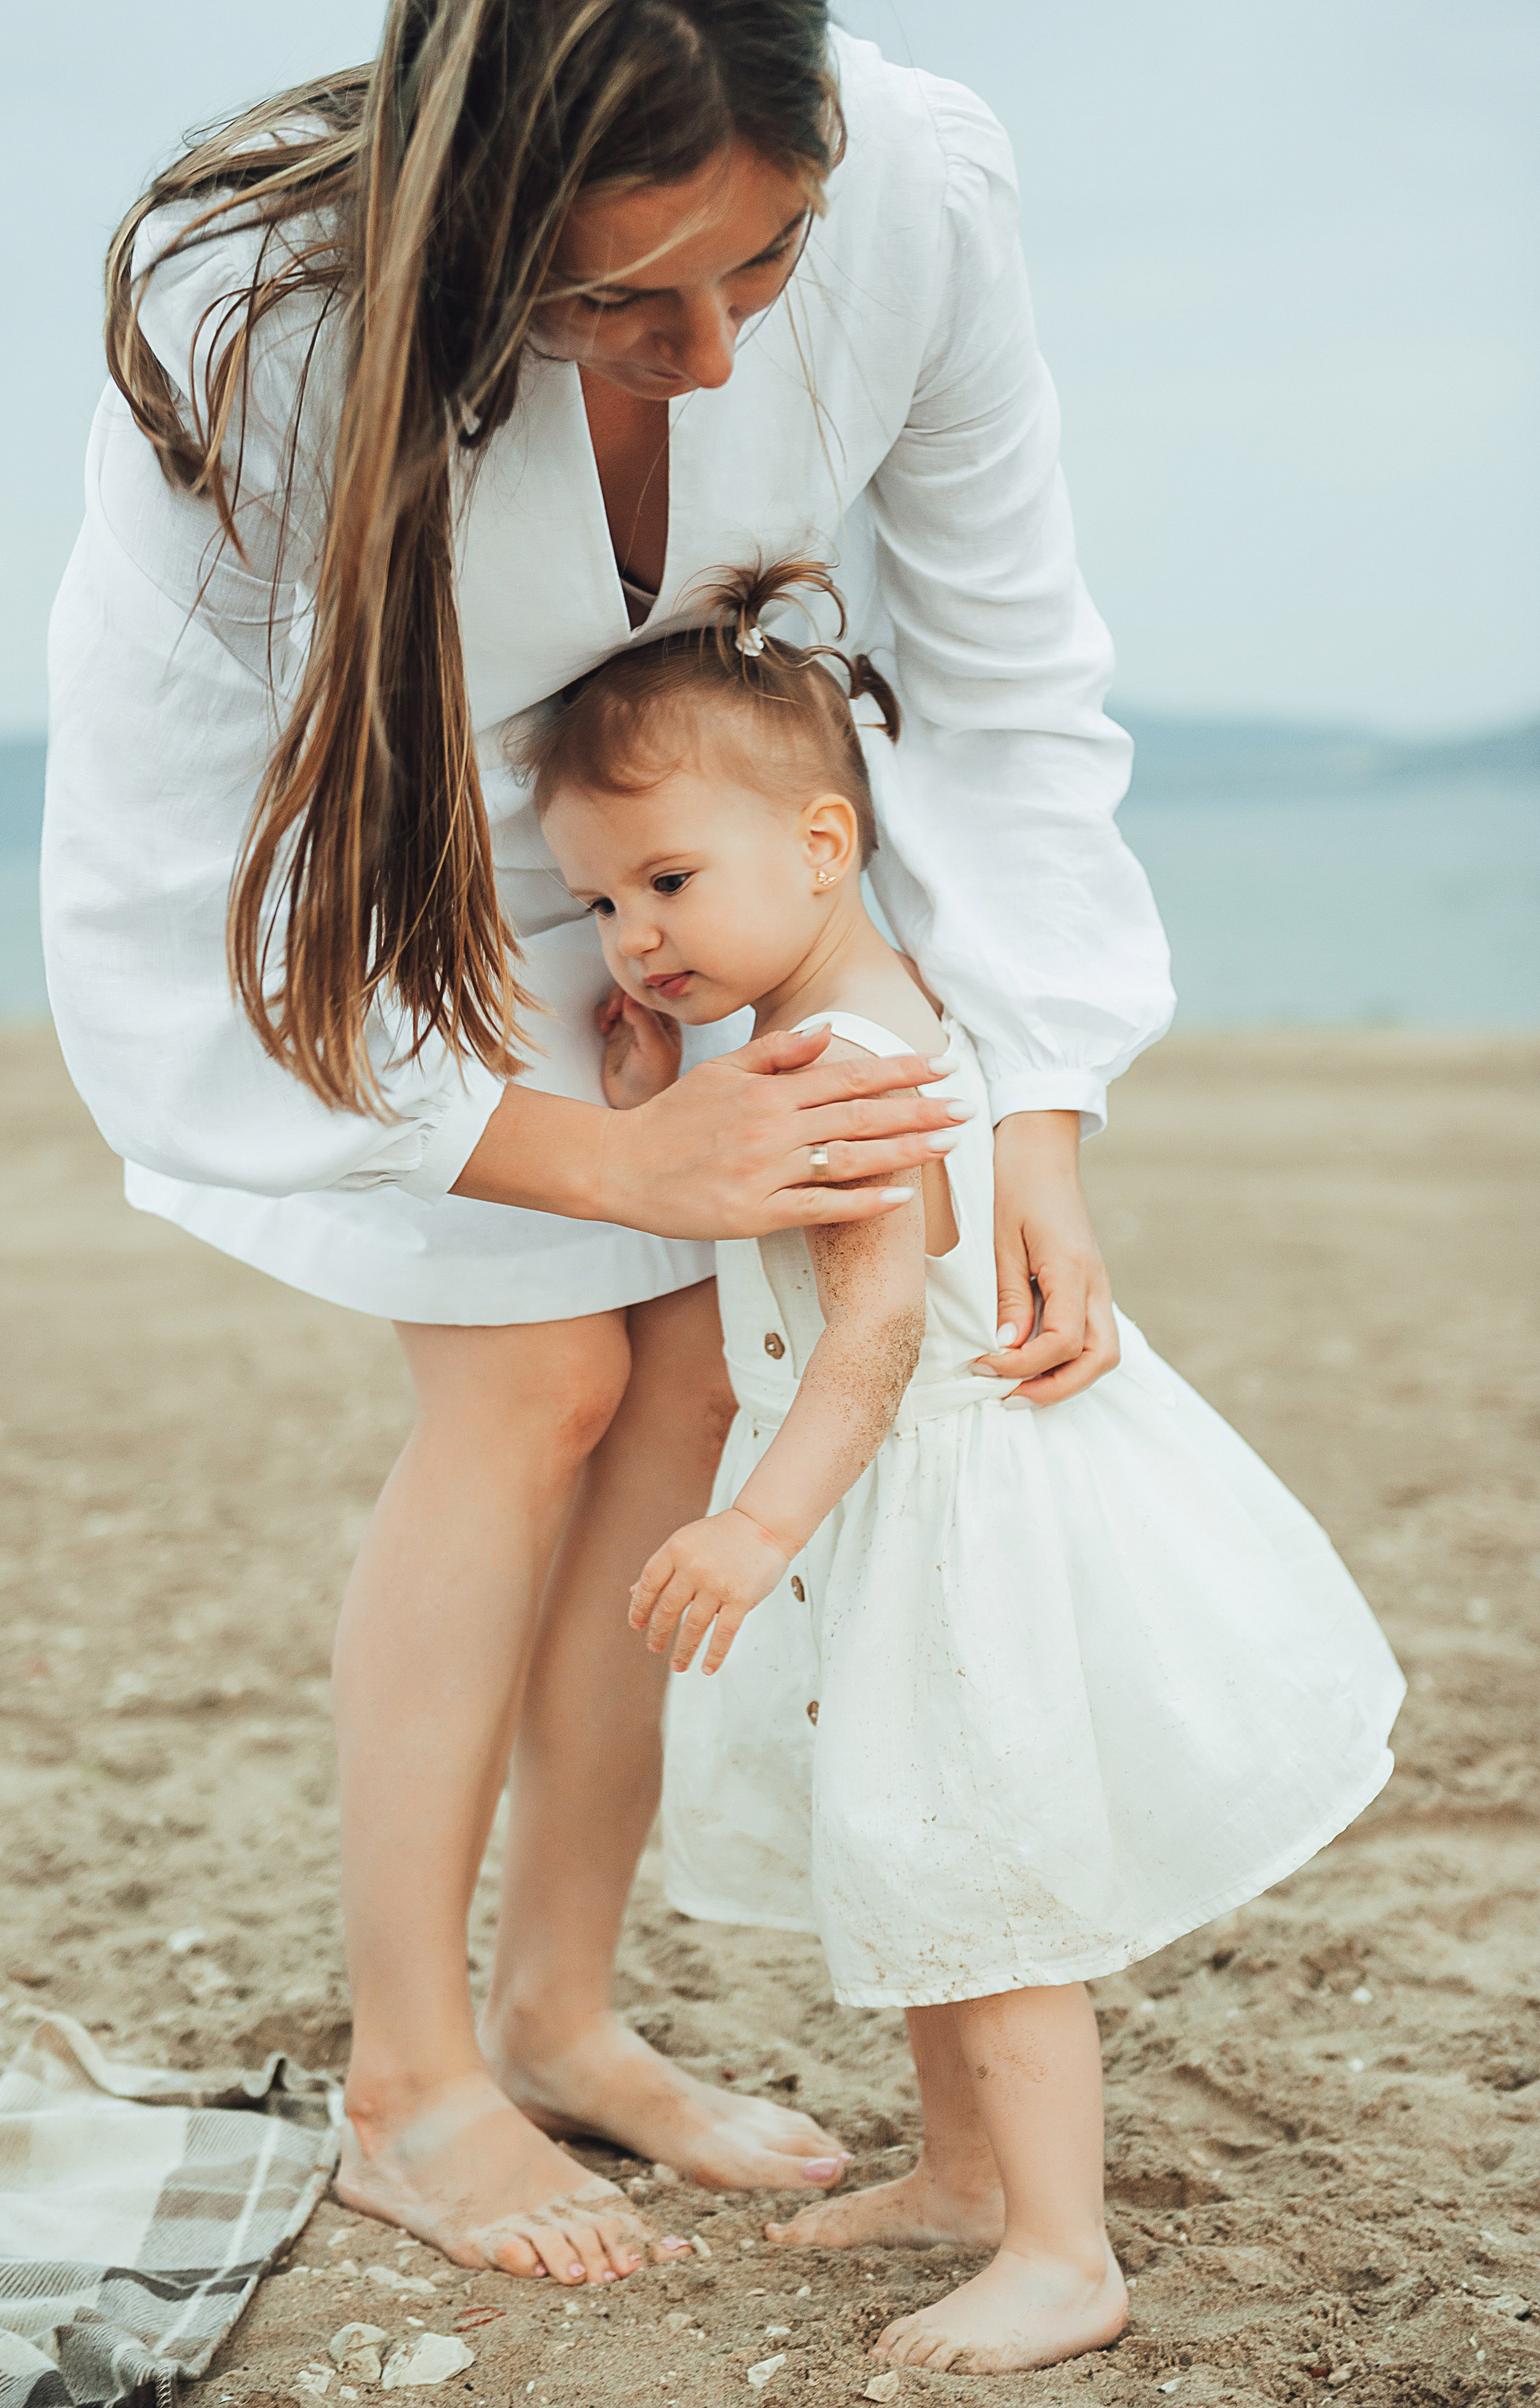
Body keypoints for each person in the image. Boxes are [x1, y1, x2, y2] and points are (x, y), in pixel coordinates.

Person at [41, 0, 1174, 2275]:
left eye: (767, 267)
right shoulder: (260, 326)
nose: (719, 359)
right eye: (616, 300)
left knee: (674, 1398)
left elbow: (1008, 668)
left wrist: (1037, 1095)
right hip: (380, 882)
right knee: (538, 1380)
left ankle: (559, 2009)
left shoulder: (933, 185)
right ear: (474, 234)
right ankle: (409, 2074)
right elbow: (167, 902)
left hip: (678, 864)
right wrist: (612, 1165)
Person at [522, 558, 1407, 2374]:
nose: (637, 934)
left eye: (671, 880)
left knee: (986, 1880)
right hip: (897, 1511)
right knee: (916, 1853)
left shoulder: (847, 1054)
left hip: (927, 1509)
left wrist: (756, 1523)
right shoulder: (820, 1011)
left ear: (825, 840)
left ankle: (1065, 2246)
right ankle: (956, 2170)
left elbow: (872, 1331)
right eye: (601, 901)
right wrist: (638, 1087)